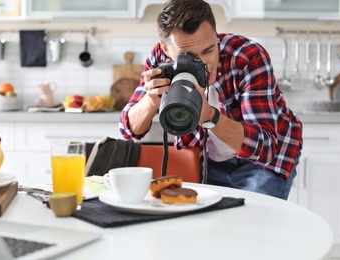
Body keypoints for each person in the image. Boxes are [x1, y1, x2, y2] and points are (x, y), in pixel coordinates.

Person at [119, 0, 303, 200]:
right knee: (202, 222)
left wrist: (210, 117)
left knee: (255, 223)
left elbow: (265, 148)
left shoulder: (247, 56)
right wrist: (150, 101)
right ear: (165, 50)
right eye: (188, 56)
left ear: (216, 36)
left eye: (208, 50)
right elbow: (128, 130)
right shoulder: (160, 60)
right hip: (207, 159)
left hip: (263, 162)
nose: (204, 64)